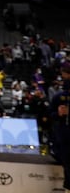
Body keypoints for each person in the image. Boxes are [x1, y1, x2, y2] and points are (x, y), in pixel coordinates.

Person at [49, 60, 70, 193]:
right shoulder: (59, 97)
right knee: (67, 166)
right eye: (64, 73)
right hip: (65, 136)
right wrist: (58, 113)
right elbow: (50, 114)